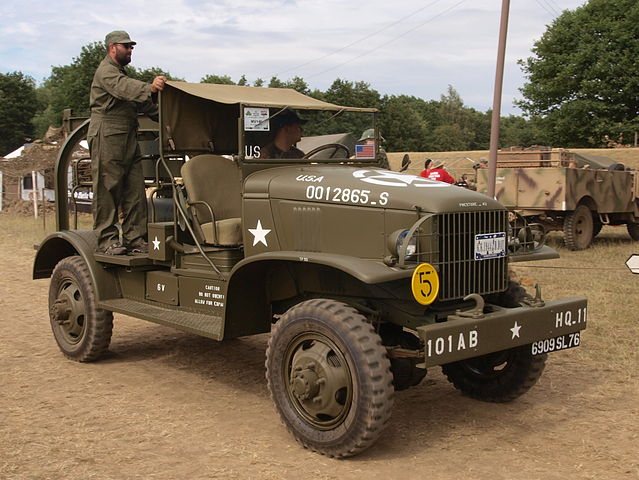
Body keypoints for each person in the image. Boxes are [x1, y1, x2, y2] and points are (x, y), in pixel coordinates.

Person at [88, 30, 166, 255]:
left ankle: (135, 238)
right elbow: (125, 88)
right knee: (107, 188)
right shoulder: (107, 72)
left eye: (132, 46)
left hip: (128, 136)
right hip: (107, 134)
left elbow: (145, 106)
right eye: (126, 46)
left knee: (134, 190)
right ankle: (107, 240)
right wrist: (149, 87)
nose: (131, 50)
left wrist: (169, 116)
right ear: (113, 48)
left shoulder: (121, 73)